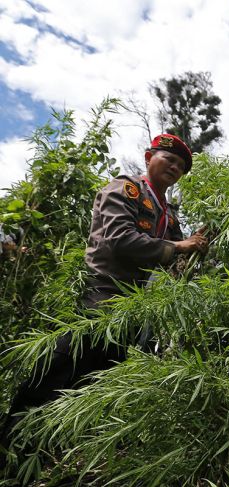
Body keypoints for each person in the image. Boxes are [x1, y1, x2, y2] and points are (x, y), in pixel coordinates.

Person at [2, 134, 208, 448]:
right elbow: (119, 239)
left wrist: (194, 249)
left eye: (181, 166)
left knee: (87, 395)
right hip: (98, 299)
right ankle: (10, 456)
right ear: (149, 157)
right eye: (169, 159)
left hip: (131, 313)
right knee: (53, 379)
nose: (175, 167)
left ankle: (44, 461)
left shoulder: (170, 216)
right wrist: (180, 246)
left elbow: (173, 266)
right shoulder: (126, 189)